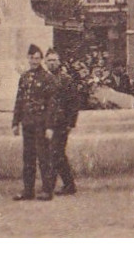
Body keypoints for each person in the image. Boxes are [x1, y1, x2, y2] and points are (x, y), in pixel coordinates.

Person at [9, 44, 57, 201]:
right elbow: (19, 101)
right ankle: (28, 190)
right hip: (28, 123)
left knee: (44, 157)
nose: (34, 61)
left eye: (37, 58)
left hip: (41, 124)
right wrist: (15, 122)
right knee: (28, 158)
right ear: (28, 59)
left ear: (41, 59)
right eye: (32, 58)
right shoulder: (24, 77)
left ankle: (47, 190)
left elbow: (52, 104)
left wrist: (50, 126)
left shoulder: (48, 78)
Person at [44, 49, 81, 194]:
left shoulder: (66, 80)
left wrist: (71, 123)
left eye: (54, 60)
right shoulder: (43, 79)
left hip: (61, 122)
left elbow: (73, 103)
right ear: (45, 63)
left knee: (56, 152)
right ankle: (69, 184)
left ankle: (51, 186)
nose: (52, 63)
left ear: (59, 62)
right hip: (46, 123)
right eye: (49, 60)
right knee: (54, 154)